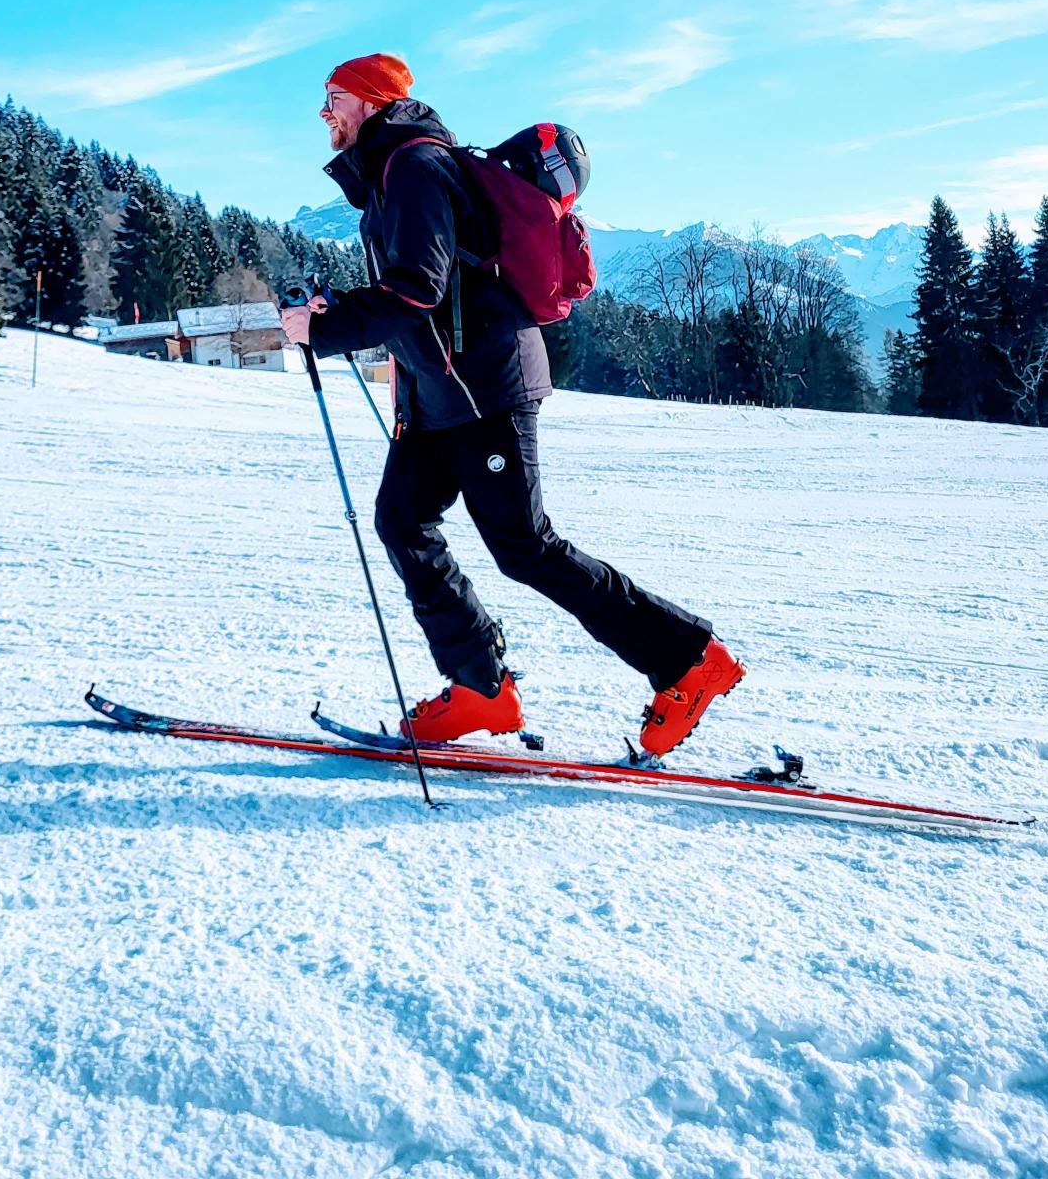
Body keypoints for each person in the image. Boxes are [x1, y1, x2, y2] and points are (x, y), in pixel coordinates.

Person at [278, 51, 744, 754]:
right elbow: (425, 291)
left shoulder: (413, 165)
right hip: (439, 392)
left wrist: (328, 329)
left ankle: (689, 662)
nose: (324, 112)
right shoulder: (390, 172)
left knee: (525, 547)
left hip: (484, 387)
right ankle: (480, 688)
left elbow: (416, 290)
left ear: (372, 100)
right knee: (402, 519)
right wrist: (336, 309)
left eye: (335, 97)